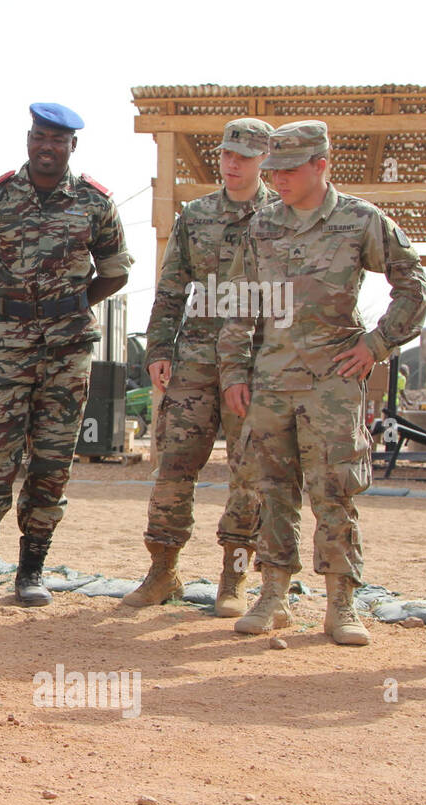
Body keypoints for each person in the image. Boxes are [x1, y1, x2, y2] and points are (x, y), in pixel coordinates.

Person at [219, 121, 426, 644]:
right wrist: (233, 371)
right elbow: (238, 304)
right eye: (275, 171)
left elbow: (413, 283)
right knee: (272, 492)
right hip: (270, 382)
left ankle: (342, 605)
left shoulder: (361, 221)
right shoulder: (262, 226)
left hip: (333, 384)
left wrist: (377, 344)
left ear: (321, 165)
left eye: (291, 170)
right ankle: (271, 596)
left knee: (334, 491)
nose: (280, 180)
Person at [0, 103, 132, 610]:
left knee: (52, 461)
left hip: (68, 348)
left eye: (57, 140)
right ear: (28, 139)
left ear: (73, 147)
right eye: (39, 137)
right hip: (7, 347)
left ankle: (31, 571)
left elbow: (116, 271)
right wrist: (10, 308)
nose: (46, 147)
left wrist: (70, 304)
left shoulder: (95, 202)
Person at [123, 119, 275, 616]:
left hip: (255, 362)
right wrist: (159, 349)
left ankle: (233, 581)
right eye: (228, 154)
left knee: (248, 471)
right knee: (174, 466)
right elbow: (171, 286)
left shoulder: (283, 216)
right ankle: (162, 572)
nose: (232, 164)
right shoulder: (198, 215)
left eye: (244, 157)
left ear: (264, 160)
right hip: (195, 360)